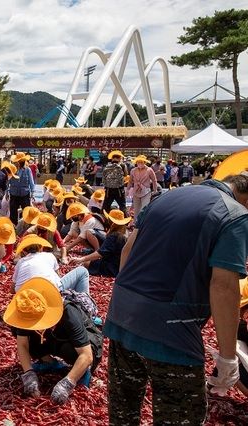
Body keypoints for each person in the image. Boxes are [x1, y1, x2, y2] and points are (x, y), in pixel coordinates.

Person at [104, 173, 248, 425]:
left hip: (122, 317)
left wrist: (130, 302)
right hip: (172, 331)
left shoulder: (166, 197)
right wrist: (227, 357)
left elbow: (128, 251)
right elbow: (224, 286)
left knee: (123, 413)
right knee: (180, 415)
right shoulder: (234, 214)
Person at [3, 277, 101, 405]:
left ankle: (82, 371)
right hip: (54, 339)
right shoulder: (26, 310)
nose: (33, 325)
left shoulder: (68, 312)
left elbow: (87, 355)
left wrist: (68, 383)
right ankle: (49, 362)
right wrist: (28, 374)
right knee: (19, 330)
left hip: (81, 345)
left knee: (71, 352)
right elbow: (23, 344)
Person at [13, 234, 90, 294]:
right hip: (51, 293)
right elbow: (58, 278)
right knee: (82, 271)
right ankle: (84, 305)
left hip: (25, 296)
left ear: (23, 251)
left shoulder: (21, 262)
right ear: (41, 247)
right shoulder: (49, 255)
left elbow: (13, 289)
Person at [73, 209, 129, 277]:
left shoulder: (114, 236)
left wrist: (82, 259)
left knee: (86, 263)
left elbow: (101, 253)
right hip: (122, 265)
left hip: (112, 267)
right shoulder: (125, 233)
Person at [8, 152, 37, 225]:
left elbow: (31, 182)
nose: (18, 162)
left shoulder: (27, 170)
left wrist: (32, 193)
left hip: (25, 194)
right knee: (13, 212)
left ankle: (25, 226)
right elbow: (8, 181)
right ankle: (14, 226)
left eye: (20, 161)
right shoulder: (12, 169)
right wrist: (6, 192)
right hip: (14, 193)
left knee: (26, 212)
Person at [127, 155, 158, 219]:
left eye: (142, 162)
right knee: (136, 210)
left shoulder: (149, 170)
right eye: (138, 162)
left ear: (145, 162)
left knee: (144, 208)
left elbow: (154, 181)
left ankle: (144, 224)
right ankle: (136, 225)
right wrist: (127, 189)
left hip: (146, 192)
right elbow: (130, 181)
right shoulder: (133, 170)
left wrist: (155, 190)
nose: (140, 163)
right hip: (136, 192)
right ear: (136, 162)